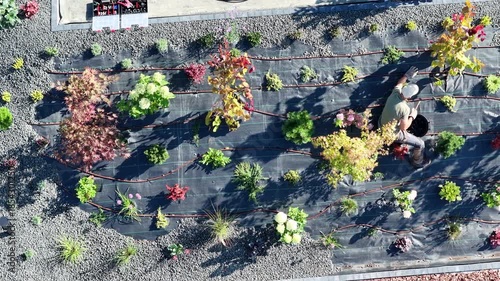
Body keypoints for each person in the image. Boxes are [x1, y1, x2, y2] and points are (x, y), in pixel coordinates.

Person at [379, 66, 430, 168]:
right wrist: (412, 116)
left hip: (380, 123)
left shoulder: (395, 93)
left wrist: (407, 75)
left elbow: (400, 83)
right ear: (410, 97)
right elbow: (403, 128)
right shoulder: (405, 109)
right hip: (391, 133)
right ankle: (417, 161)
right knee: (420, 144)